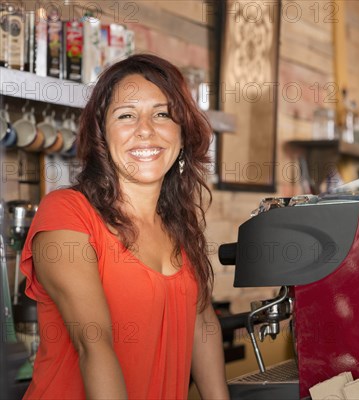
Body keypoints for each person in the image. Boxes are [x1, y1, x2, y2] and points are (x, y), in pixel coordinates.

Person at [20, 54, 229, 399]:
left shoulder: (179, 223)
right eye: (126, 115)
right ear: (102, 134)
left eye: (162, 114)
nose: (145, 130)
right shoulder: (68, 214)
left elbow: (202, 324)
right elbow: (94, 345)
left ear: (182, 132)